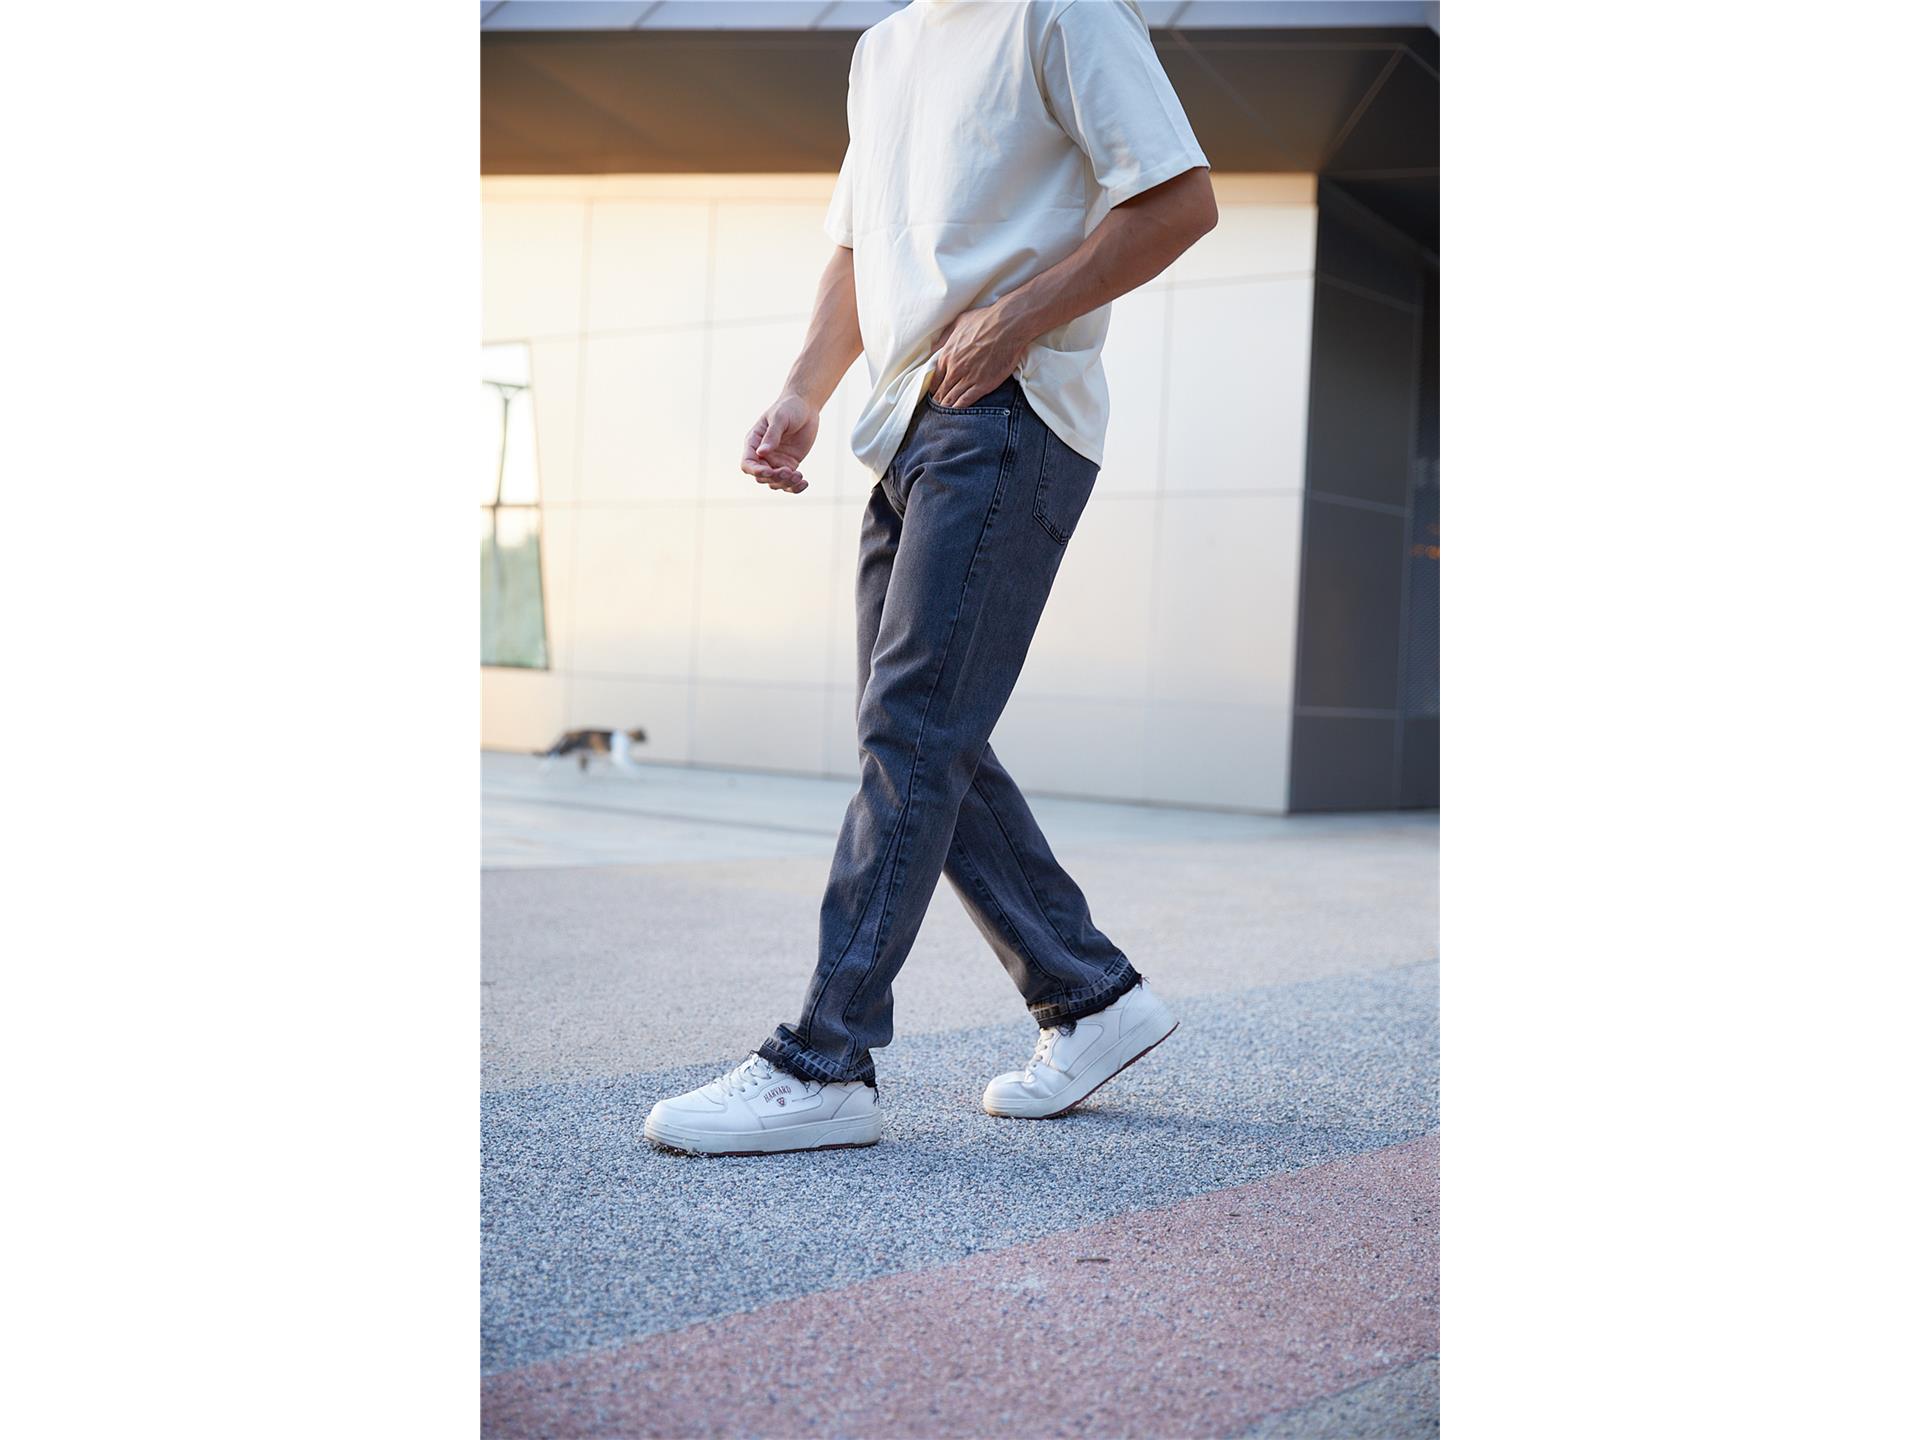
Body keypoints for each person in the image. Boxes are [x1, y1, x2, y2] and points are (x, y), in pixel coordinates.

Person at [644, 0, 1217, 1156]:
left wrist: (1016, 320)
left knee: (913, 728)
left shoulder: (1060, 12)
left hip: (1011, 409)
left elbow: (1179, 201)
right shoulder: (884, 49)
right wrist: (803, 391)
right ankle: (1089, 996)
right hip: (905, 422)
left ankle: (825, 1059)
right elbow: (863, 245)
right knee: (916, 731)